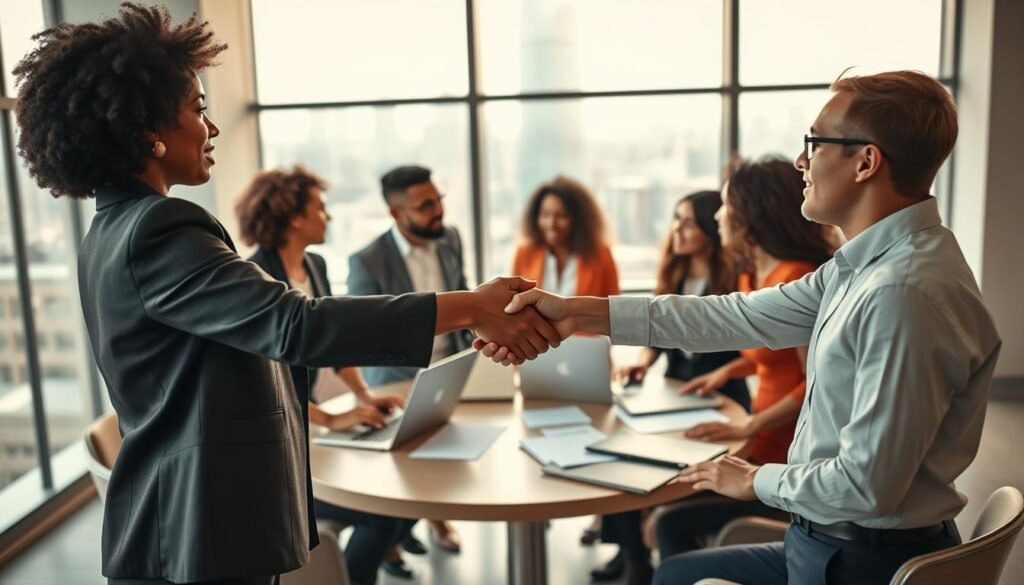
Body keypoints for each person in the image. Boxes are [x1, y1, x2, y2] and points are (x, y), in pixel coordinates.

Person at [13, 5, 559, 584]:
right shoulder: (160, 229)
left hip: (188, 525)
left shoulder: (110, 229)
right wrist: (472, 306)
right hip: (199, 533)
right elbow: (295, 326)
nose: (212, 127)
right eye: (198, 110)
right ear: (150, 131)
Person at [490, 70, 1001, 585]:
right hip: (827, 540)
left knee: (675, 575)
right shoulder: (865, 267)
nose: (802, 161)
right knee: (676, 572)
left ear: (866, 162)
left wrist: (754, 480)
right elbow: (733, 316)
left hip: (858, 563)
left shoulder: (901, 294)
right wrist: (578, 313)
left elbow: (866, 488)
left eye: (815, 142)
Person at [237, 165, 413, 585]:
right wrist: (334, 419)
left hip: (309, 436)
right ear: (295, 217)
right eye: (320, 207)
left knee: (393, 495)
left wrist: (364, 397)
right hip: (276, 454)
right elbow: (267, 384)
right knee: (382, 516)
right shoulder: (257, 277)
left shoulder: (313, 265)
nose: (328, 216)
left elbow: (333, 345)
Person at [592, 190, 750, 584]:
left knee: (640, 460)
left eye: (688, 221)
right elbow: (662, 335)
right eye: (676, 219)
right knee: (619, 452)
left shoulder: (733, 280)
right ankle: (631, 555)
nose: (677, 228)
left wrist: (726, 370)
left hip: (720, 401)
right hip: (676, 395)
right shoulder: (676, 274)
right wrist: (643, 362)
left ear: (711, 230)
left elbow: (755, 345)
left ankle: (638, 556)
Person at [343, 165, 469, 568]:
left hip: (450, 364)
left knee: (448, 452)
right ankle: (399, 534)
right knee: (406, 461)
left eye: (439, 200)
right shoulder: (367, 261)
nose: (438, 211)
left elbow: (463, 292)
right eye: (426, 205)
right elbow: (367, 333)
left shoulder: (450, 239)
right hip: (395, 375)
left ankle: (430, 519)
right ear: (397, 214)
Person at [511, 175, 620, 298]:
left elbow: (612, 309)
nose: (551, 224)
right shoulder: (524, 254)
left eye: (562, 215)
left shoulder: (601, 255)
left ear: (578, 219)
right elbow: (514, 301)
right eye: (545, 214)